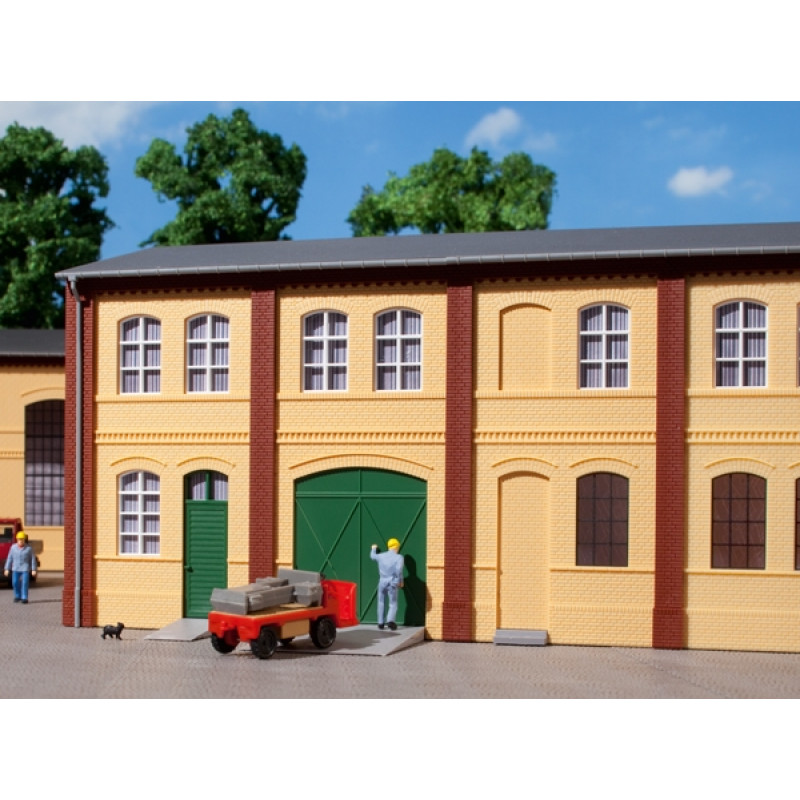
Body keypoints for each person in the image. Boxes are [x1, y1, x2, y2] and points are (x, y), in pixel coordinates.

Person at [370, 538, 404, 630]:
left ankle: (380, 623)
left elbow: (373, 556)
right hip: (392, 581)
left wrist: (373, 548)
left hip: (382, 581)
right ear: (396, 547)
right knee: (393, 603)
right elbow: (399, 570)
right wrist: (400, 581)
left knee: (381, 601)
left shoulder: (381, 556)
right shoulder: (399, 557)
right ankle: (390, 620)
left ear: (389, 547)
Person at [4, 531, 38, 604]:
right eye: (19, 539)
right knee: (15, 582)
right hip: (15, 568)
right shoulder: (13, 548)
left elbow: (32, 559)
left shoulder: (28, 548)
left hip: (25, 568)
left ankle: (24, 597)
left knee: (25, 583)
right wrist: (7, 568)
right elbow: (10, 558)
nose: (21, 541)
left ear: (24, 540)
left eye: (22, 539)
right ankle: (17, 595)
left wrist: (33, 569)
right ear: (17, 540)